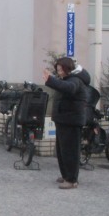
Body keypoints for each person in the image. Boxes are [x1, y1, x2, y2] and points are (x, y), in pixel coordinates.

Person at [43, 57, 90, 190]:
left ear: (67, 68)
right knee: (62, 151)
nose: (59, 72)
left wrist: (51, 80)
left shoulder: (75, 80)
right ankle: (66, 175)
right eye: (57, 69)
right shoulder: (67, 79)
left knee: (70, 151)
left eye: (60, 69)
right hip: (64, 120)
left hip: (71, 121)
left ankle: (71, 179)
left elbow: (69, 88)